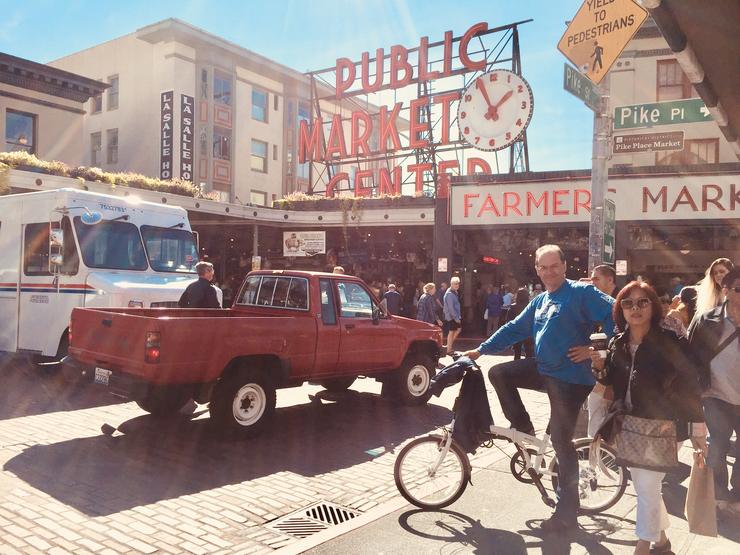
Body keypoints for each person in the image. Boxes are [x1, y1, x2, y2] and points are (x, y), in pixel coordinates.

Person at [463, 245, 615, 532]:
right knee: (499, 373)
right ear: (536, 270)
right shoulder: (540, 300)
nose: (549, 272)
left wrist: (597, 348)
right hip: (545, 370)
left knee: (561, 441)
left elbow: (617, 316)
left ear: (565, 266)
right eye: (543, 267)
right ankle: (525, 431)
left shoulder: (582, 293)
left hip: (571, 379)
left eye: (554, 266)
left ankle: (567, 512)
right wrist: (481, 350)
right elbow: (514, 329)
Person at [591, 281, 705, 554]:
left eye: (643, 302)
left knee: (646, 485)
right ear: (620, 309)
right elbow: (612, 383)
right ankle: (662, 541)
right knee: (647, 487)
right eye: (628, 303)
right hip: (628, 427)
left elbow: (691, 387)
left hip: (663, 427)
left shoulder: (670, 344)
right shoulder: (617, 343)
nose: (635, 308)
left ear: (655, 307)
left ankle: (643, 546)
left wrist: (698, 433)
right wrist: (598, 367)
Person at [688, 267, 740, 512]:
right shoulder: (706, 319)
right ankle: (719, 493)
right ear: (727, 290)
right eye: (739, 289)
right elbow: (689, 356)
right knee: (717, 446)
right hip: (715, 394)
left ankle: (737, 495)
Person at [585, 264, 618, 437]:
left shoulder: (619, 302)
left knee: (598, 408)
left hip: (614, 368)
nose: (593, 282)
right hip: (600, 367)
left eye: (596, 279)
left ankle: (597, 452)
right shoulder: (596, 302)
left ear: (610, 279)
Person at [506, 288, 533, 360]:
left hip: (516, 331)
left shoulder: (512, 307)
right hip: (528, 331)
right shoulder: (530, 306)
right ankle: (527, 368)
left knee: (517, 353)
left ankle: (516, 368)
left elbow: (509, 321)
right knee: (529, 353)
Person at [443, 276, 462, 355]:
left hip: (453, 316)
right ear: (451, 284)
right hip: (452, 317)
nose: (457, 285)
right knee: (453, 332)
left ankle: (448, 347)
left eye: (457, 284)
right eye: (455, 284)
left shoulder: (453, 292)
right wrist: (456, 318)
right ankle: (448, 349)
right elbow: (451, 308)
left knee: (455, 331)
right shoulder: (450, 294)